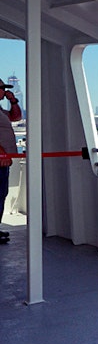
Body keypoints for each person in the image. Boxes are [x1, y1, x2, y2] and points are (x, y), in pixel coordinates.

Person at [0, 81, 22, 245]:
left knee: (1, 194)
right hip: (1, 159)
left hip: (4, 161)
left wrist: (13, 101)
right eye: (2, 89)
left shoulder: (0, 110)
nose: (4, 91)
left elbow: (16, 117)